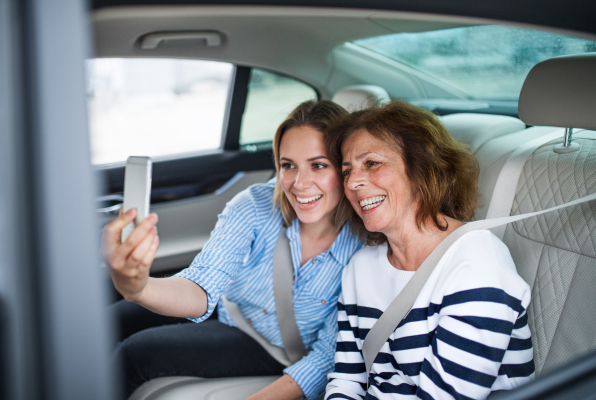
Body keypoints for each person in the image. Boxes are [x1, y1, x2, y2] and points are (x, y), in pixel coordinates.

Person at [102, 100, 363, 400]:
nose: (299, 183)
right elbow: (202, 285)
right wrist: (139, 288)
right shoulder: (255, 205)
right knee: (114, 318)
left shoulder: (363, 249)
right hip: (230, 312)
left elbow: (328, 358)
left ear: (345, 169)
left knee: (134, 355)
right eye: (288, 165)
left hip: (276, 350)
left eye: (318, 165)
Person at [324, 101, 535, 400]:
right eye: (347, 171)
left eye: (371, 163)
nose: (354, 182)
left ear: (421, 168)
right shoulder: (360, 268)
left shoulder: (477, 264)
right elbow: (347, 381)